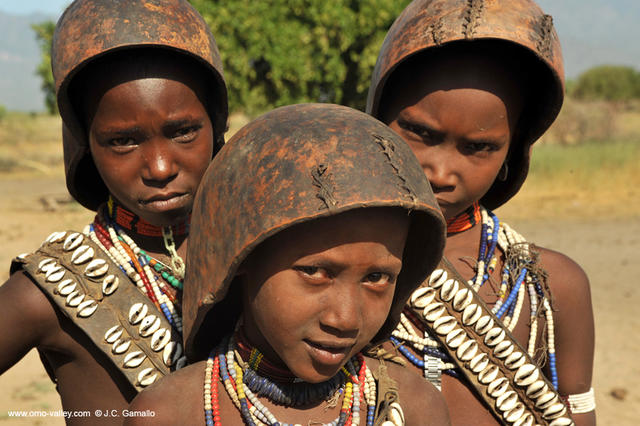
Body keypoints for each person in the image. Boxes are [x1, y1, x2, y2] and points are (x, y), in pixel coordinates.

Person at [125, 103, 451, 425]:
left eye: (377, 277)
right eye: (315, 272)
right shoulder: (170, 414)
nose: (345, 319)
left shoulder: (415, 408)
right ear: (241, 257)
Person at [366, 1, 595, 425]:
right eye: (420, 133)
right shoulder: (330, 263)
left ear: (513, 153)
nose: (440, 172)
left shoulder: (553, 287)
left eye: (478, 148)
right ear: (377, 118)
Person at [0, 0, 227, 420]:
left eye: (183, 132)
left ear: (217, 124)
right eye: (123, 140)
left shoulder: (261, 253)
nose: (160, 168)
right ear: (86, 145)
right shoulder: (52, 289)